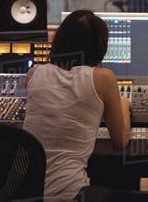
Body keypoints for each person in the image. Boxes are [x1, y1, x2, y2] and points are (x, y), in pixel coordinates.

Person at [23, 10, 132, 200]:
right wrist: (123, 103)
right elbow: (120, 141)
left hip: (24, 191)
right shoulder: (103, 78)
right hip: (68, 194)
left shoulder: (34, 74)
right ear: (100, 48)